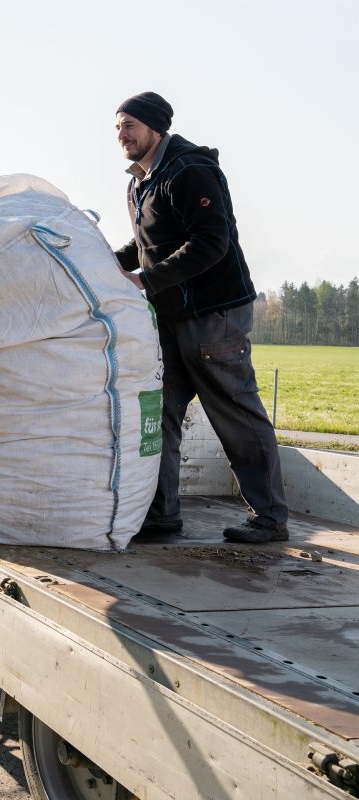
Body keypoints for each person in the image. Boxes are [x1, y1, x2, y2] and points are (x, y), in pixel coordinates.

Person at [114, 91, 288, 544]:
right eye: (117, 127)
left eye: (129, 125)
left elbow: (212, 242)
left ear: (155, 128)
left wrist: (147, 282)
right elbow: (146, 242)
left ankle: (270, 518)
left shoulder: (190, 171)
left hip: (214, 315)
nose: (121, 135)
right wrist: (107, 262)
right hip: (170, 318)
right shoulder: (140, 181)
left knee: (234, 412)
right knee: (160, 413)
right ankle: (160, 514)